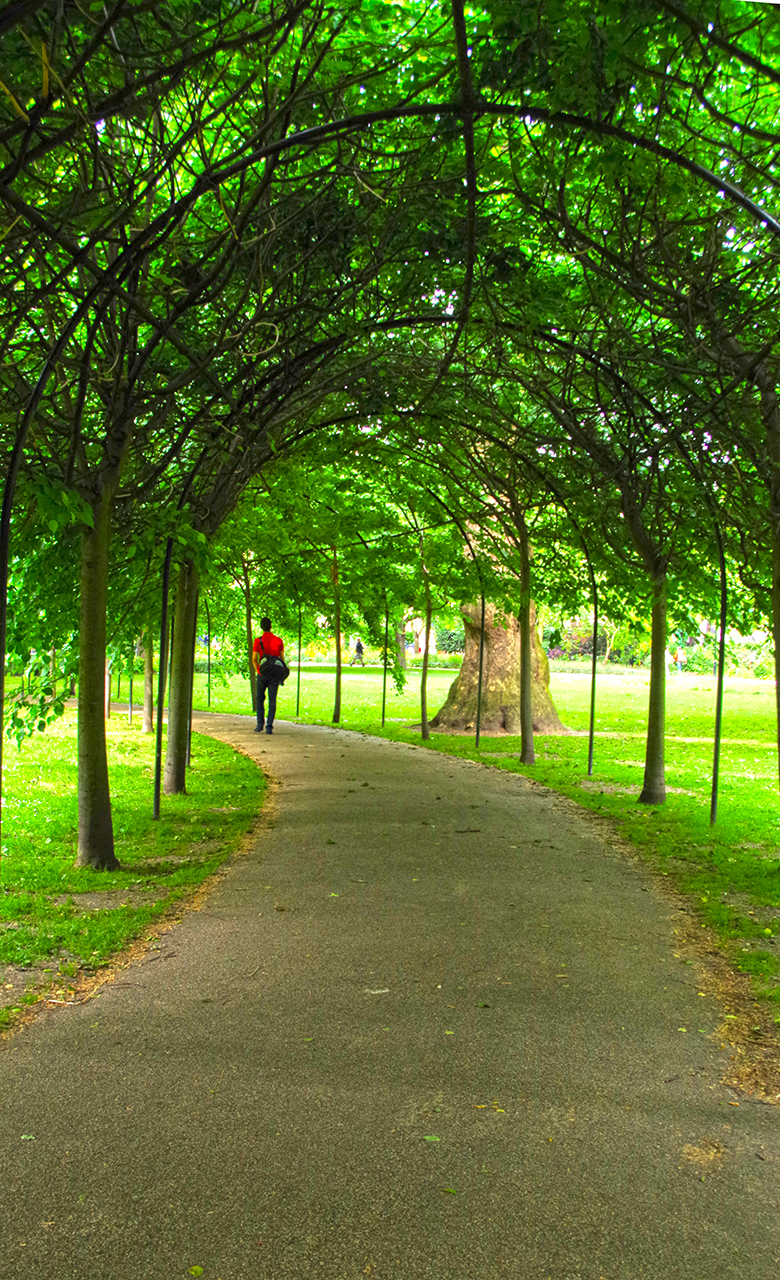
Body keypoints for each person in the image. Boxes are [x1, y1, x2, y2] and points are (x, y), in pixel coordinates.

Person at [252, 617, 285, 734]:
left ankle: (259, 724)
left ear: (261, 627)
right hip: (275, 674)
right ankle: (269, 726)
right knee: (272, 700)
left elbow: (254, 659)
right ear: (271, 626)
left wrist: (258, 670)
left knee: (260, 698)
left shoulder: (258, 641)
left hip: (263, 673)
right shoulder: (279, 641)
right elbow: (282, 660)